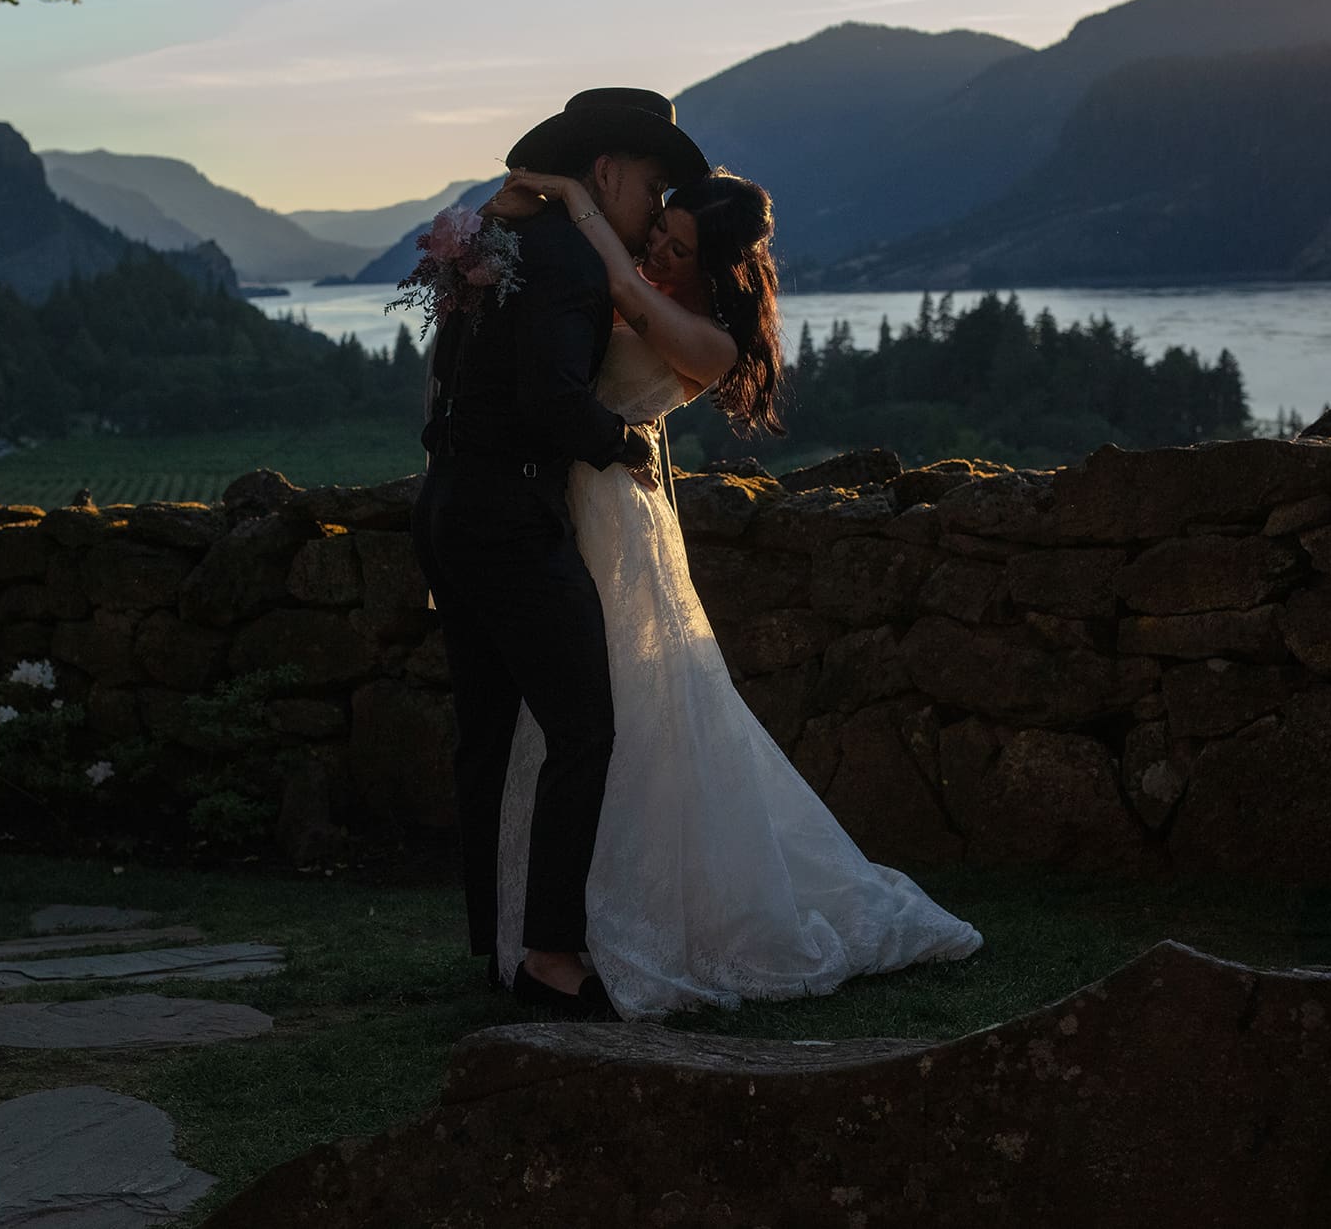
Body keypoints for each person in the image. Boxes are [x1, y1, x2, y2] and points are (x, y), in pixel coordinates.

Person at [481, 165, 984, 1020]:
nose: (658, 253)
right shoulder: (635, 284)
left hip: (617, 525)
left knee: (629, 714)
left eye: (679, 250)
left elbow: (624, 295)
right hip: (568, 507)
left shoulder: (708, 344)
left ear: (716, 270)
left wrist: (575, 202)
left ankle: (633, 920)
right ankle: (563, 926)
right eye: (660, 234)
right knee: (580, 715)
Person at [412, 88, 709, 1021]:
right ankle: (547, 954)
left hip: (445, 505)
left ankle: (495, 944)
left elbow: (447, 376)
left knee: (487, 735)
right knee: (583, 728)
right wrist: (622, 443)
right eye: (652, 186)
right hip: (510, 518)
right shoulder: (572, 262)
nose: (656, 209)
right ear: (607, 172)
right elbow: (551, 400)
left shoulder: (503, 245)